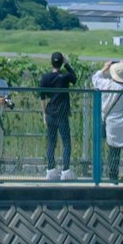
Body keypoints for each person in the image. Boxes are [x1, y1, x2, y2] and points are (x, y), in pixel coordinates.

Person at [94, 56, 123, 184]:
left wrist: (105, 68)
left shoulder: (108, 85)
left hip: (112, 122)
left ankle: (113, 177)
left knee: (113, 151)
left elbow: (95, 79)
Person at [38, 46, 80, 177]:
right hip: (62, 115)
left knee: (51, 142)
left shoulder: (45, 77)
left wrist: (44, 113)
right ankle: (65, 170)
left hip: (50, 113)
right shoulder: (65, 77)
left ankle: (51, 169)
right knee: (66, 143)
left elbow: (42, 97)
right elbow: (75, 78)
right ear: (61, 62)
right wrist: (67, 64)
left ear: (51, 62)